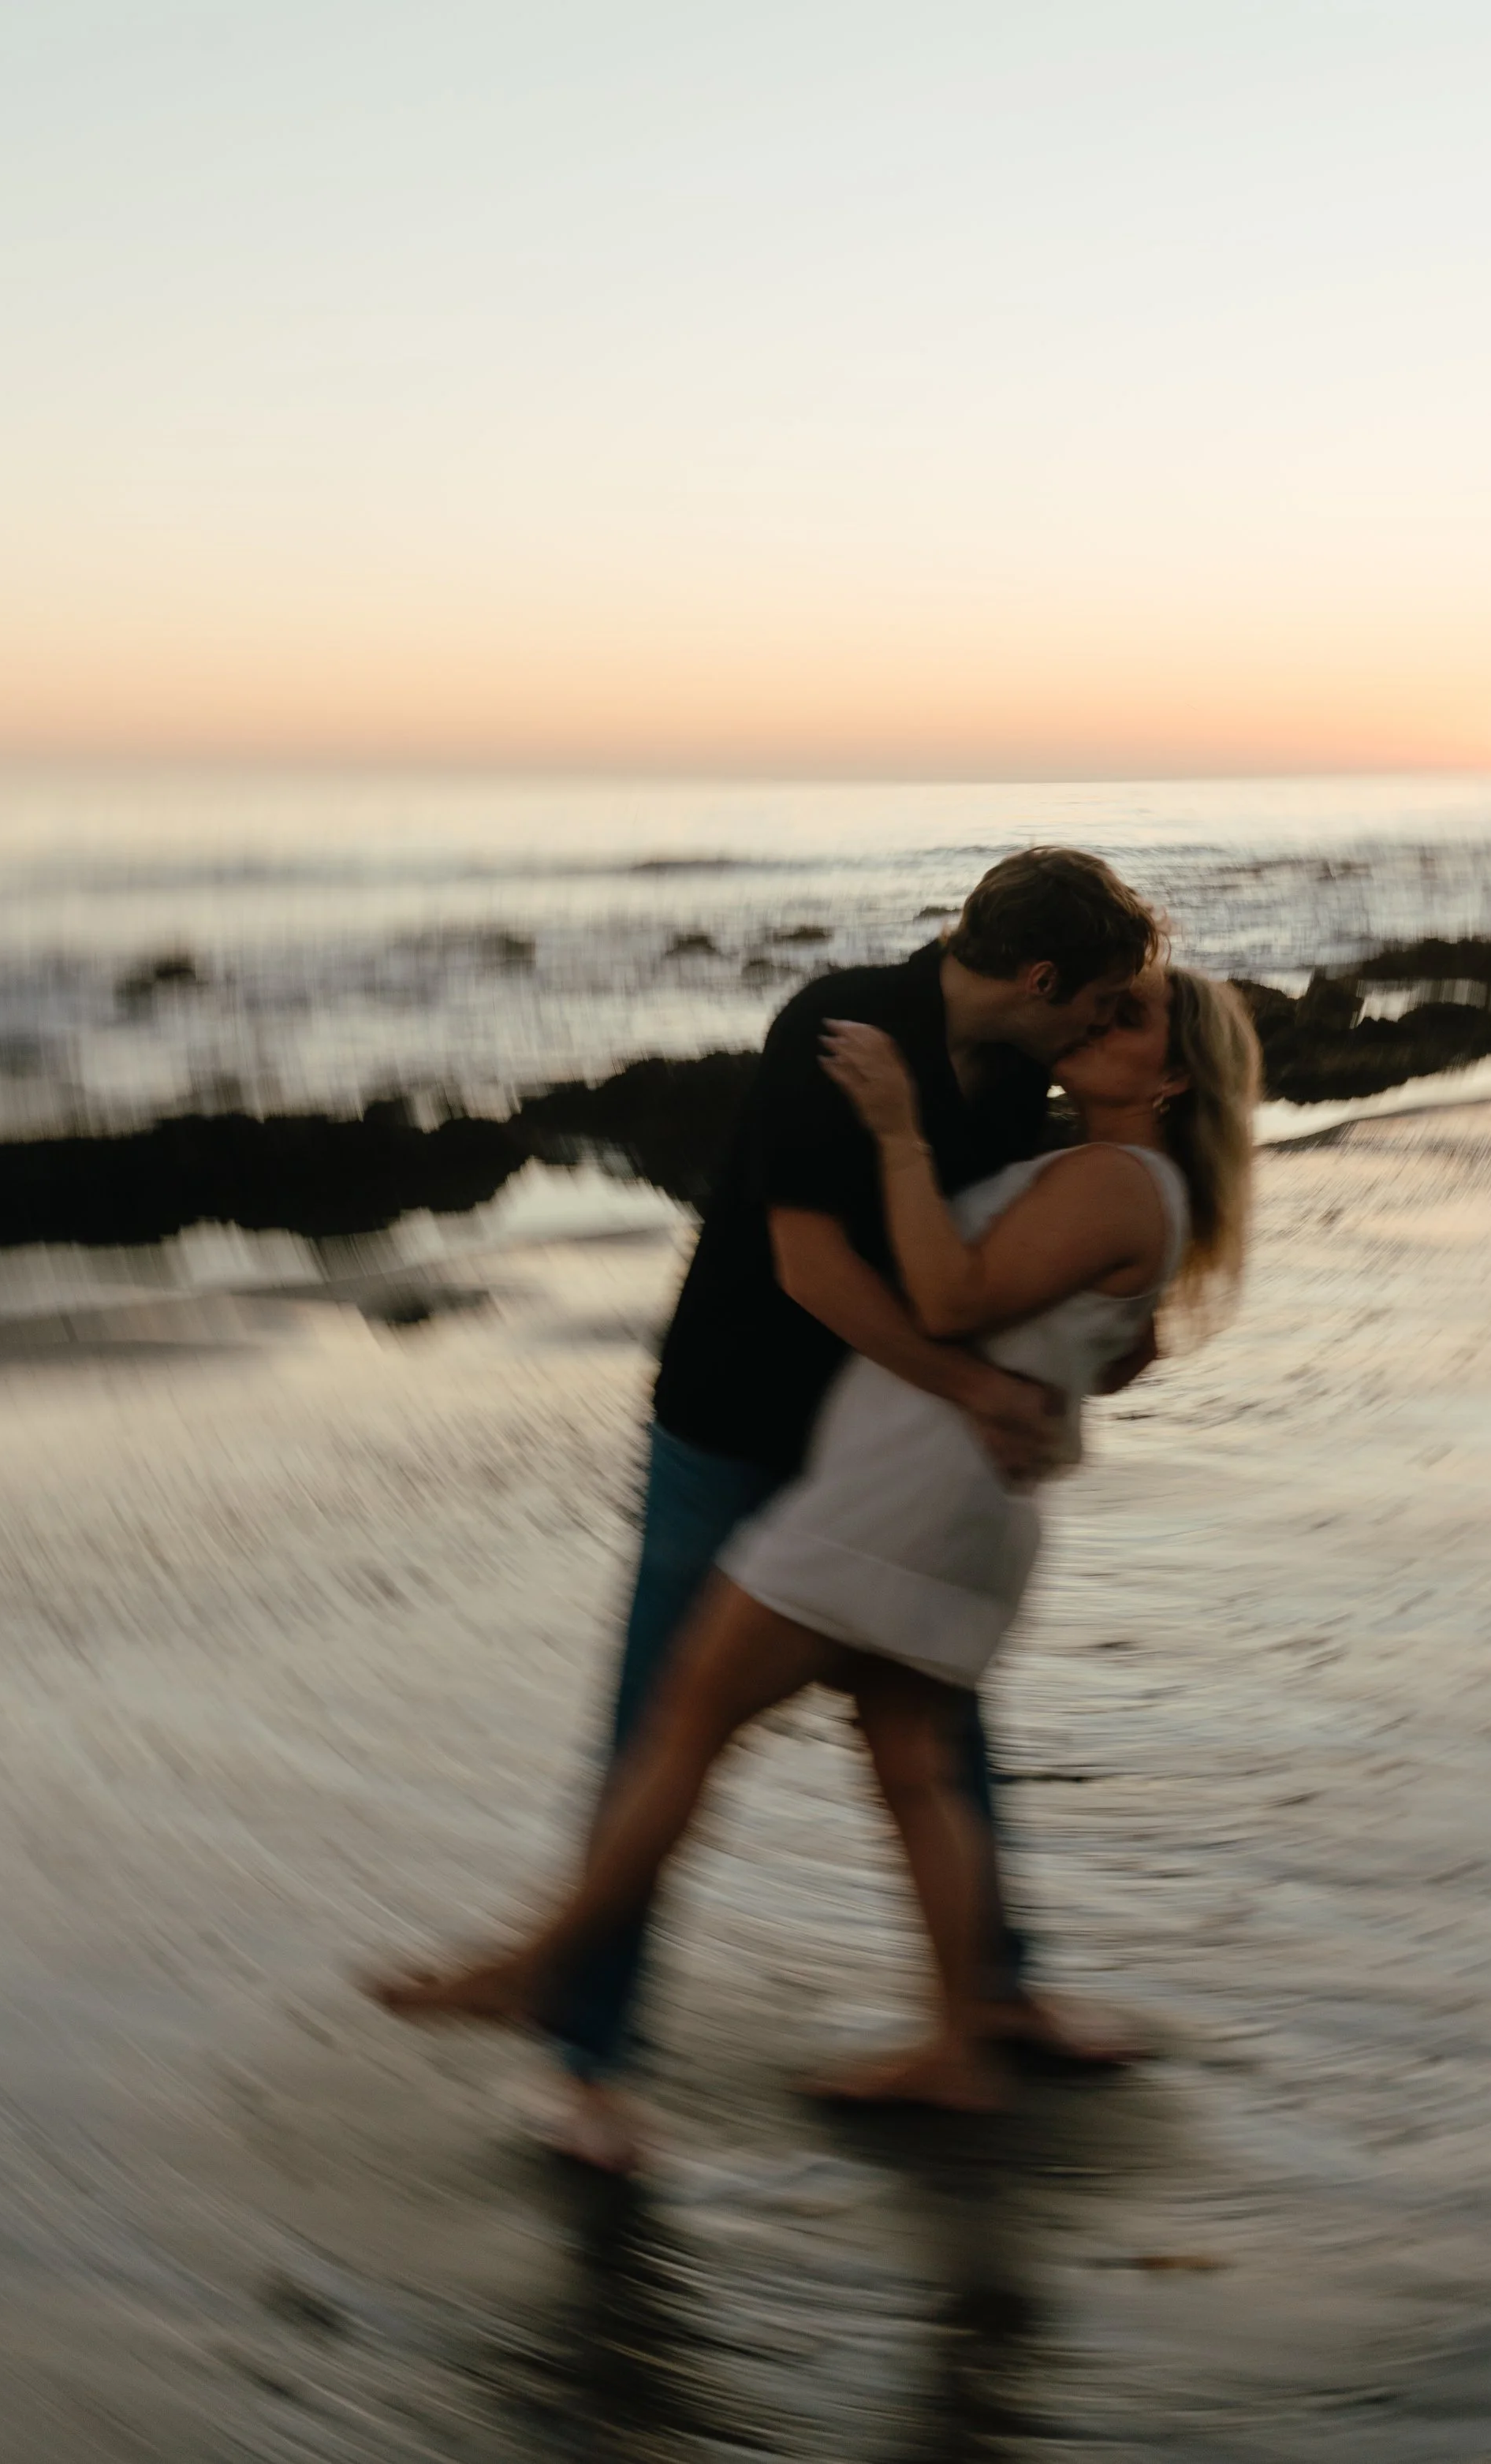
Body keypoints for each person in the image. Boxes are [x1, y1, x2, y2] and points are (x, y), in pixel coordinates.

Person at [371, 964, 1260, 2117]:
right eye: (1101, 995)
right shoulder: (1093, 1166)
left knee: (687, 1719)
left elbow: (946, 1294)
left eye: (1127, 1014)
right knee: (915, 1769)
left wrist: (892, 1129)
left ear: (1175, 1073)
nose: (1097, 1013)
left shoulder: (1110, 1177)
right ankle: (962, 2037)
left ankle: (547, 1973)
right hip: (938, 1502)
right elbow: (1117, 1340)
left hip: (897, 1500)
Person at [492, 849, 1160, 2169]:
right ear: (1042, 978)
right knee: (661, 1719)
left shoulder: (1020, 1071)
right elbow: (811, 1267)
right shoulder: (844, 1028)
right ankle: (583, 2064)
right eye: (1104, 997)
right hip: (733, 1426)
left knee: (937, 1713)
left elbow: (984, 1250)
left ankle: (993, 1995)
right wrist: (972, 1388)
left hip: (877, 1444)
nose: (1108, 1021)